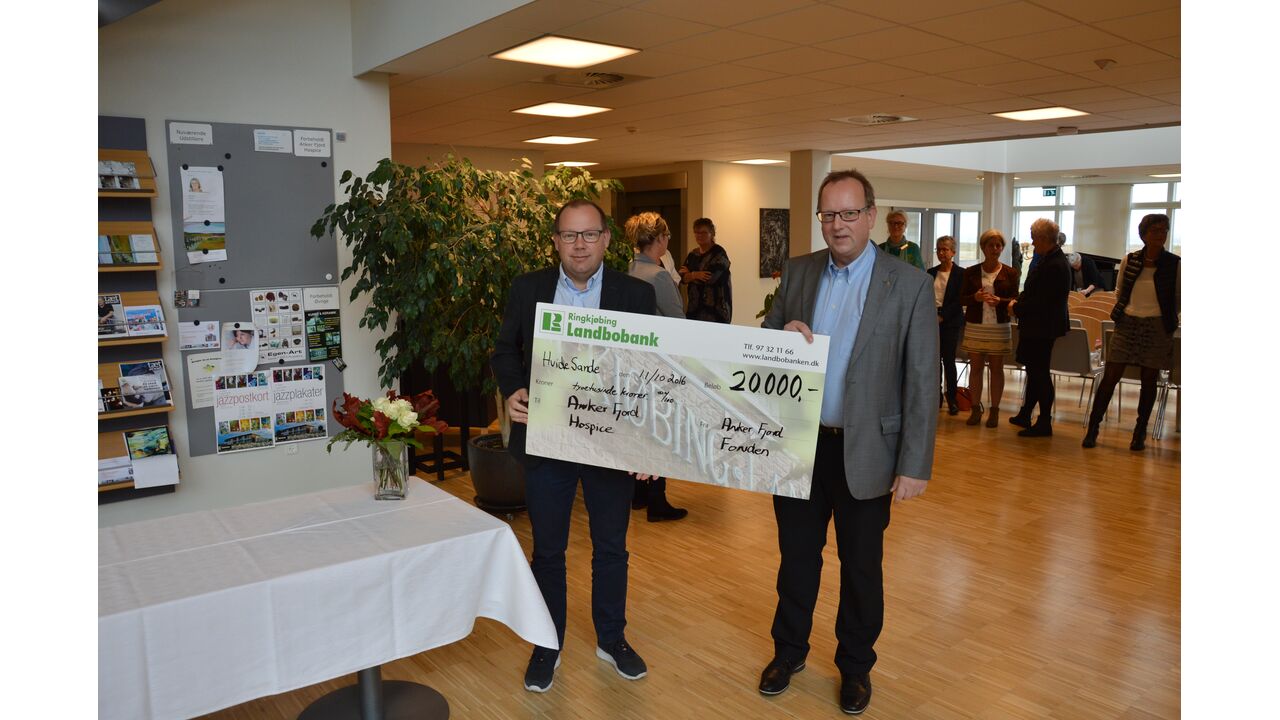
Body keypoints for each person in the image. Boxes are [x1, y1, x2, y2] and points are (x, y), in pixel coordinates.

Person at [758, 170, 937, 716]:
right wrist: (777, 336)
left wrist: (915, 463)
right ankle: (788, 652)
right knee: (796, 560)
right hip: (800, 446)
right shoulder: (799, 270)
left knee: (861, 568)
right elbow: (763, 340)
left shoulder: (909, 284)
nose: (839, 225)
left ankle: (856, 666)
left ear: (871, 216)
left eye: (850, 213)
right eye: (829, 214)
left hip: (868, 454)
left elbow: (922, 379)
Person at [492, 199, 658, 693]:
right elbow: (504, 350)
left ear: (606, 239)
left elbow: (654, 370)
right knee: (548, 551)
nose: (579, 245)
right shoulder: (528, 289)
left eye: (589, 235)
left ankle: (612, 638)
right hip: (548, 439)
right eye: (569, 235)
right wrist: (512, 387)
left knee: (611, 548)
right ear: (555, 241)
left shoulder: (636, 294)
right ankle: (548, 643)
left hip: (611, 443)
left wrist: (649, 445)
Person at [1083, 213, 1180, 450]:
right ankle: (1093, 428)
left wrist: (1162, 315)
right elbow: (1119, 291)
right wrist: (1129, 311)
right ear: (1144, 234)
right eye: (1155, 230)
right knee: (1110, 376)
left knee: (1149, 380)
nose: (1160, 235)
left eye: (1164, 230)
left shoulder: (1175, 263)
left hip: (1157, 326)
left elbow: (1178, 297)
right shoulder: (1130, 259)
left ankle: (1140, 432)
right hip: (1127, 323)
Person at [624, 212, 689, 522]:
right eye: (667, 237)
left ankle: (638, 494)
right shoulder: (659, 276)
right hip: (659, 363)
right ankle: (657, 501)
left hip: (634, 362)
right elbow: (678, 321)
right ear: (660, 239)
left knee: (641, 426)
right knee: (661, 428)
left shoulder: (630, 269)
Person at [1008, 219, 1070, 436]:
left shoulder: (1054, 264)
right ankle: (1026, 413)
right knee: (1034, 372)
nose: (1033, 243)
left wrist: (1017, 308)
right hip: (1040, 325)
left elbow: (1041, 301)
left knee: (1039, 373)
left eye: (1034, 239)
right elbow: (1033, 292)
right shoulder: (1050, 259)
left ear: (1044, 239)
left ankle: (1044, 421)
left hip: (1042, 327)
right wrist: (1019, 302)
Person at [958, 230, 1019, 427]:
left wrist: (1000, 301)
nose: (994, 249)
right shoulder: (970, 272)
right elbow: (961, 299)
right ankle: (975, 409)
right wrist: (975, 298)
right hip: (976, 326)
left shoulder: (1011, 273)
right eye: (990, 245)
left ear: (1002, 248)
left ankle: (994, 411)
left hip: (999, 327)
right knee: (975, 369)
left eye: (998, 245)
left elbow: (1015, 299)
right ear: (983, 248)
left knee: (996, 370)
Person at [927, 236, 964, 415]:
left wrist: (942, 316)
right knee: (934, 361)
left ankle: (952, 398)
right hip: (931, 320)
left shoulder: (961, 274)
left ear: (953, 252)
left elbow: (959, 300)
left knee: (949, 360)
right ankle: (936, 396)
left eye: (945, 249)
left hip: (950, 321)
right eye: (939, 249)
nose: (941, 252)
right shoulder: (931, 272)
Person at [679, 217, 732, 323]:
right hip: (694, 310)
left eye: (703, 233)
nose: (699, 236)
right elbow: (681, 277)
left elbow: (709, 278)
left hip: (716, 313)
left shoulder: (719, 253)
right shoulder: (693, 255)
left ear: (712, 234)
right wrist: (694, 275)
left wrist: (690, 274)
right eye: (696, 232)